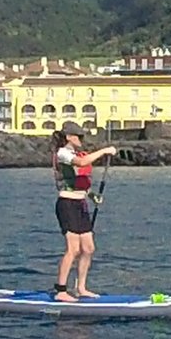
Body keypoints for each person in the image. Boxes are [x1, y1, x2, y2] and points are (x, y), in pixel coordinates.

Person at [51, 123, 119, 301]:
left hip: (80, 204)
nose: (81, 139)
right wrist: (104, 151)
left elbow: (78, 181)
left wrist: (91, 195)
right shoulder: (62, 153)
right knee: (73, 250)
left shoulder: (74, 153)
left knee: (88, 248)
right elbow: (82, 162)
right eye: (78, 136)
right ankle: (61, 291)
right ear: (68, 137)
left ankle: (81, 288)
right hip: (67, 205)